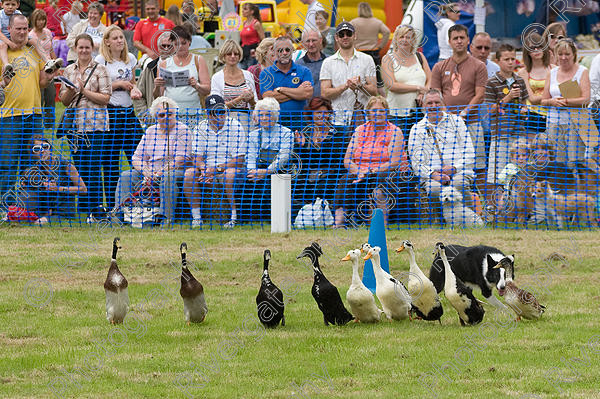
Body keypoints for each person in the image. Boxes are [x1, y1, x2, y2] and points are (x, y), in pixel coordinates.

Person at [0, 14, 59, 200]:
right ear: (9, 29)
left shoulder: (34, 50)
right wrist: (5, 81)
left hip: (34, 115)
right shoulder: (3, 52)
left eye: (25, 28)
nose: (22, 32)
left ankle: (28, 206)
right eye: (18, 28)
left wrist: (50, 77)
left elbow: (41, 82)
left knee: (33, 164)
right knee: (8, 164)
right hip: (10, 116)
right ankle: (6, 206)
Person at [333, 96, 411, 227]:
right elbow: (347, 160)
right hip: (362, 171)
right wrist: (359, 172)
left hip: (388, 172)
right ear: (368, 112)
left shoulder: (395, 131)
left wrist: (371, 171)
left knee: (380, 180)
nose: (378, 114)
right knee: (345, 179)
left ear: (387, 112)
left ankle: (380, 223)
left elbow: (394, 162)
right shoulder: (359, 130)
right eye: (374, 110)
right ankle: (339, 222)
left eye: (381, 111)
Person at [115, 96, 193, 227]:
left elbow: (182, 158)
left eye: (170, 114)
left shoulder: (182, 130)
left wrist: (160, 172)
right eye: (162, 115)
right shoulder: (150, 131)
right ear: (156, 117)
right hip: (149, 171)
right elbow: (136, 157)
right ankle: (120, 214)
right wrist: (146, 171)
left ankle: (164, 218)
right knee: (126, 176)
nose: (166, 117)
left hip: (175, 171)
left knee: (168, 177)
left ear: (176, 114)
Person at [59, 33, 111, 214]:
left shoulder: (101, 70)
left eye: (87, 47)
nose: (83, 50)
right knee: (80, 166)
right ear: (75, 48)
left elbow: (105, 98)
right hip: (75, 128)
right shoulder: (68, 70)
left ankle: (95, 207)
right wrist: (72, 91)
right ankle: (83, 207)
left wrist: (84, 91)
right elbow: (64, 101)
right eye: (80, 47)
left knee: (93, 167)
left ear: (92, 48)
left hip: (95, 126)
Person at [431, 24, 487, 191]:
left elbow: (480, 95)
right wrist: (449, 117)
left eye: (462, 37)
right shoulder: (439, 67)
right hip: (446, 126)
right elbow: (436, 96)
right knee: (450, 165)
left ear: (468, 40)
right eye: (455, 38)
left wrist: (462, 115)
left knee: (478, 165)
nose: (459, 41)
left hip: (473, 123)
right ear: (449, 41)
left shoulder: (479, 66)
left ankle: (482, 204)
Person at [408, 89, 476, 222]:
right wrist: (434, 174)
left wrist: (454, 168)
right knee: (434, 189)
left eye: (437, 102)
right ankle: (440, 221)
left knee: (459, 183)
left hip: (460, 171)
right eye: (429, 103)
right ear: (423, 105)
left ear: (443, 103)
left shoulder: (457, 122)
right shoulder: (416, 129)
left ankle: (470, 219)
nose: (433, 106)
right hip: (431, 176)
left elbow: (469, 153)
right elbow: (416, 163)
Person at [185, 94, 247, 228]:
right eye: (214, 112)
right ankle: (196, 218)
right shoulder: (200, 128)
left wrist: (216, 169)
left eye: (221, 111)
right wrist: (204, 169)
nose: (219, 115)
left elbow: (239, 160)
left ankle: (234, 217)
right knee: (189, 173)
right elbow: (196, 157)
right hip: (208, 168)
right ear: (207, 113)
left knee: (229, 174)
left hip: (230, 167)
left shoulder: (236, 126)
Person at [96, 25, 144, 167]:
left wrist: (134, 89)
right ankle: (112, 189)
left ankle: (140, 187)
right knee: (110, 160)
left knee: (137, 155)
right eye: (115, 38)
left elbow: (132, 82)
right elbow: (96, 88)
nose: (120, 41)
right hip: (110, 113)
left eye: (121, 37)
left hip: (129, 112)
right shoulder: (100, 60)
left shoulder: (130, 58)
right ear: (107, 42)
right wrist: (118, 85)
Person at [293, 96, 348, 216]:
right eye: (317, 112)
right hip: (309, 176)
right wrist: (301, 146)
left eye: (325, 113)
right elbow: (300, 162)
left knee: (323, 186)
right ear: (311, 114)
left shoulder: (339, 132)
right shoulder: (305, 133)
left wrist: (319, 146)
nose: (321, 116)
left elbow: (337, 159)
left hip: (332, 176)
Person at [484, 44, 529, 190]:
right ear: (497, 61)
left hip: (519, 133)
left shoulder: (520, 81)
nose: (510, 62)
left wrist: (524, 110)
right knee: (499, 176)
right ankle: (499, 208)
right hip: (501, 134)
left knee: (520, 173)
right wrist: (508, 97)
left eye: (513, 59)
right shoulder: (491, 82)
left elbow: (524, 103)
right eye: (506, 59)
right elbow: (490, 111)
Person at [541, 38, 591, 166]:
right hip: (554, 123)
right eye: (560, 54)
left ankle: (577, 186)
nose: (564, 57)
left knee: (574, 163)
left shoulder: (582, 71)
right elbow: (543, 101)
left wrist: (566, 101)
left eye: (567, 54)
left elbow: (586, 99)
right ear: (556, 55)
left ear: (574, 54)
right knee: (557, 164)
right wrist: (552, 102)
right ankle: (559, 186)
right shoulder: (551, 73)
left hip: (575, 123)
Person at [243, 97, 294, 219]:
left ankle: (273, 217)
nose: (264, 118)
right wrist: (252, 171)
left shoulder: (287, 133)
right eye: (261, 115)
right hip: (257, 170)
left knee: (269, 184)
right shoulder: (253, 135)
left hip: (279, 170)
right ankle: (248, 218)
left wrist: (266, 171)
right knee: (246, 184)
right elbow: (250, 155)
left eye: (268, 115)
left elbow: (284, 157)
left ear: (275, 116)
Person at [320, 21, 377, 129]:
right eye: (341, 34)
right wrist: (345, 86)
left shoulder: (367, 59)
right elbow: (324, 93)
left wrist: (360, 86)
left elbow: (374, 91)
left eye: (348, 34)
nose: (345, 37)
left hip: (363, 120)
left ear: (354, 36)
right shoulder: (328, 62)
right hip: (337, 120)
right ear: (336, 38)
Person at [19, 135, 87, 225]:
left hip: (63, 209)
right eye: (37, 149)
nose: (42, 150)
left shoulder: (66, 166)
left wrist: (59, 188)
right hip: (44, 208)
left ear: (50, 148)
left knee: (39, 222)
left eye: (45, 147)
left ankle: (47, 216)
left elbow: (83, 189)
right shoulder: (34, 169)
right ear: (32, 153)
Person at [154, 25, 210, 125]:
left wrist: (196, 85)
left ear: (189, 42)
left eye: (183, 43)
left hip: (193, 114)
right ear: (172, 44)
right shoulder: (164, 63)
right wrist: (157, 86)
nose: (180, 47)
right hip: (171, 115)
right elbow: (158, 96)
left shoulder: (198, 60)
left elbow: (207, 89)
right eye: (176, 44)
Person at [381, 24, 430, 135]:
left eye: (408, 37)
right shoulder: (388, 59)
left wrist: (424, 92)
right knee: (398, 148)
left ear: (413, 40)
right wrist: (418, 88)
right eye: (401, 37)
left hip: (419, 113)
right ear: (396, 39)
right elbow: (391, 85)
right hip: (397, 115)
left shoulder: (420, 56)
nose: (404, 40)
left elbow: (430, 79)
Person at [260, 36, 313, 129]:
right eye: (280, 50)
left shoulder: (304, 71)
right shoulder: (266, 73)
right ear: (275, 52)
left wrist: (281, 90)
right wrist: (297, 91)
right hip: (275, 123)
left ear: (292, 51)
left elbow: (307, 94)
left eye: (287, 50)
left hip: (299, 122)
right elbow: (268, 97)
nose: (284, 53)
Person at [0, 0, 60, 75]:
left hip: (17, 36)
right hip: (4, 38)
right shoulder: (0, 15)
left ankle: (47, 60)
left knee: (34, 41)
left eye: (13, 4)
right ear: (1, 5)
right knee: (2, 46)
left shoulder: (18, 13)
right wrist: (9, 43)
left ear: (17, 5)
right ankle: (6, 64)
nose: (10, 7)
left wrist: (25, 40)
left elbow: (24, 29)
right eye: (7, 4)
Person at [210, 39, 257, 133]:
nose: (232, 56)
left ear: (240, 56)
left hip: (246, 121)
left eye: (236, 54)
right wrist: (240, 99)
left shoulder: (248, 75)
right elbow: (217, 106)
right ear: (223, 56)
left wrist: (251, 100)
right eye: (229, 54)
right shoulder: (217, 77)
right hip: (225, 121)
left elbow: (255, 106)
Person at [29, 9, 61, 128]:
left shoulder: (48, 32)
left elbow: (51, 49)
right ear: (34, 20)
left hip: (50, 68)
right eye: (38, 20)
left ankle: (49, 123)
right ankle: (36, 123)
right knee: (39, 97)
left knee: (51, 95)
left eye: (43, 19)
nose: (41, 22)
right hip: (38, 69)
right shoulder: (31, 35)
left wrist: (57, 66)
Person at [133, 33, 175, 122]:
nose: (166, 49)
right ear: (158, 48)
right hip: (156, 122)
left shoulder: (182, 66)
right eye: (163, 46)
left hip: (178, 117)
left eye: (169, 46)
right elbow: (138, 95)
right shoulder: (150, 68)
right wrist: (146, 116)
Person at [518, 32, 552, 135]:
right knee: (533, 149)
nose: (536, 50)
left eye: (539, 46)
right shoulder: (523, 73)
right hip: (533, 118)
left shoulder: (554, 69)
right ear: (527, 52)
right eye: (532, 48)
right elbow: (531, 99)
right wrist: (551, 98)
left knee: (554, 150)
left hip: (553, 116)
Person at [350, 2, 390, 90]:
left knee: (358, 77)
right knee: (378, 79)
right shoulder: (377, 22)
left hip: (359, 52)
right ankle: (383, 99)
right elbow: (387, 32)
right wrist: (380, 46)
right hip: (373, 52)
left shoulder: (354, 22)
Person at [296, 29, 327, 97]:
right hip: (307, 106)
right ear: (303, 43)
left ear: (320, 40)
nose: (311, 44)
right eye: (307, 41)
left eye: (314, 40)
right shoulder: (298, 65)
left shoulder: (330, 61)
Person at [240, 2, 264, 69]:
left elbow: (263, 39)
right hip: (244, 52)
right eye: (243, 9)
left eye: (245, 9)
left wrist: (257, 51)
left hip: (252, 53)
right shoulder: (244, 23)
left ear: (252, 12)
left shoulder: (256, 24)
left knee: (251, 73)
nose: (242, 11)